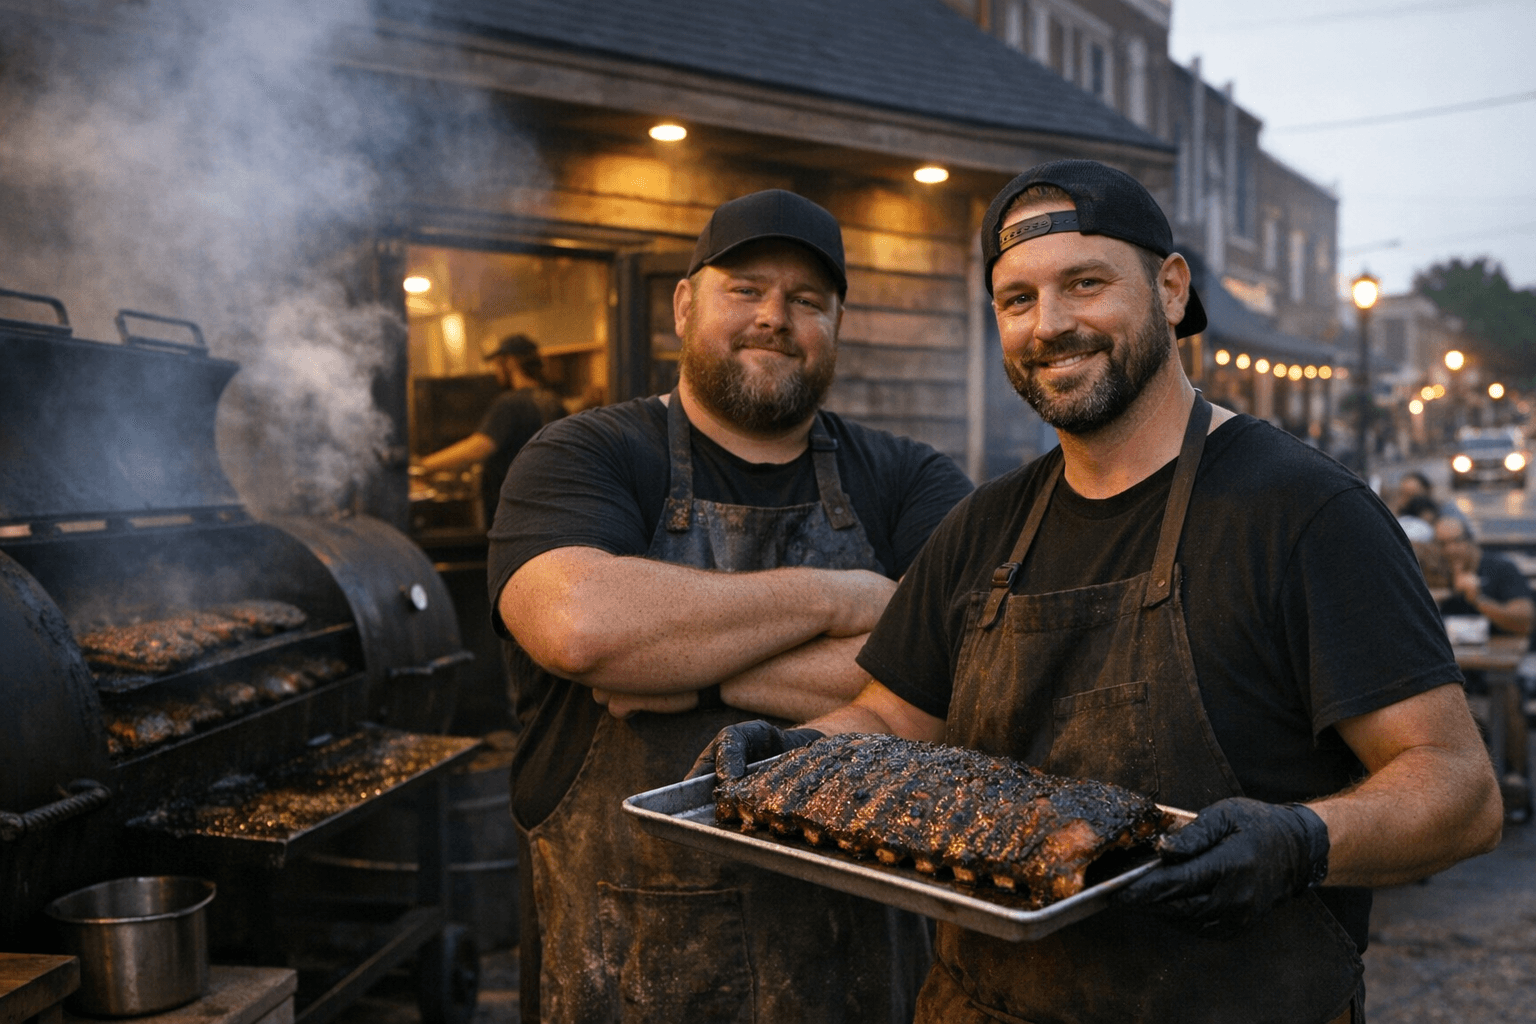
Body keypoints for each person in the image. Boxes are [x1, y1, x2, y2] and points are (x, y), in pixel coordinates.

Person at [694, 161, 1503, 1024]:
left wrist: (1303, 841)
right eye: (1017, 300)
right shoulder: (985, 527)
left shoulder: (1305, 513)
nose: (1050, 325)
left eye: (1085, 283)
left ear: (1170, 287)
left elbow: (1460, 788)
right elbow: (894, 721)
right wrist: (800, 754)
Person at [488, 189, 973, 1023]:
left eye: (807, 300)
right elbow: (582, 628)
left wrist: (697, 673)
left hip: (862, 974)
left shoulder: (910, 480)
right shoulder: (586, 454)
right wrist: (846, 596)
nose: (774, 317)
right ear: (685, 304)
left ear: (837, 325)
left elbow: (969, 684)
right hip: (626, 969)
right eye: (745, 289)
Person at [413, 333, 566, 528]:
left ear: (510, 363)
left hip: (515, 514)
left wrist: (422, 466)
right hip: (547, 509)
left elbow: (479, 446)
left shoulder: (511, 403)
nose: (495, 371)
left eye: (497, 364)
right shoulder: (554, 402)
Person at [1431, 516, 1535, 638]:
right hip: (1457, 654)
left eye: (1457, 541)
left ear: (1470, 541)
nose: (1450, 549)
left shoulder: (1500, 568)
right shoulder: (1436, 574)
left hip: (1502, 654)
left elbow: (1525, 623)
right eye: (1442, 544)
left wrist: (1478, 600)